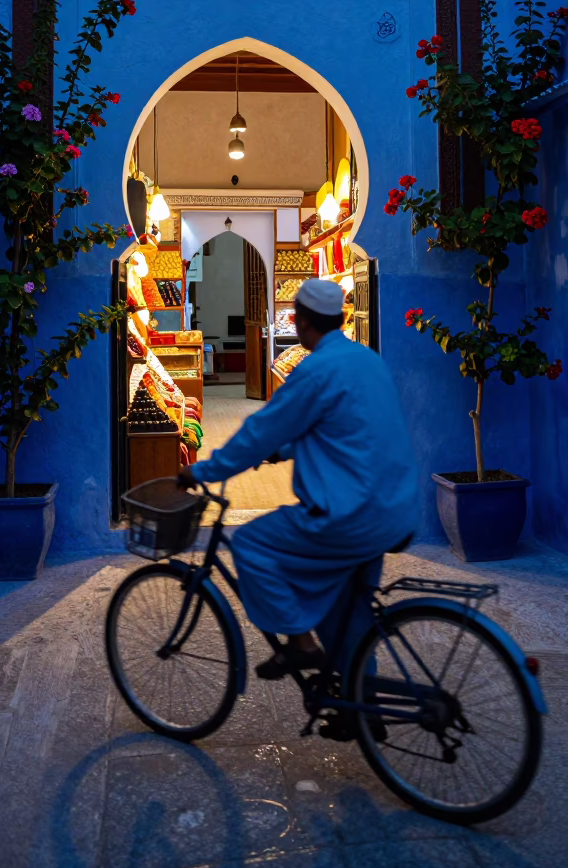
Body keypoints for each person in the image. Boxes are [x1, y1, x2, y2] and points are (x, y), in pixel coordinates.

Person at [179, 278, 418, 680]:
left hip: (349, 516)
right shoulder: (366, 359)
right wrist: (286, 451)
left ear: (303, 323)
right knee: (346, 610)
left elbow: (260, 433)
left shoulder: (315, 370)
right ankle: (360, 705)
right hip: (395, 509)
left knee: (253, 543)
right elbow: (345, 430)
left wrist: (201, 470)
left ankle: (301, 645)